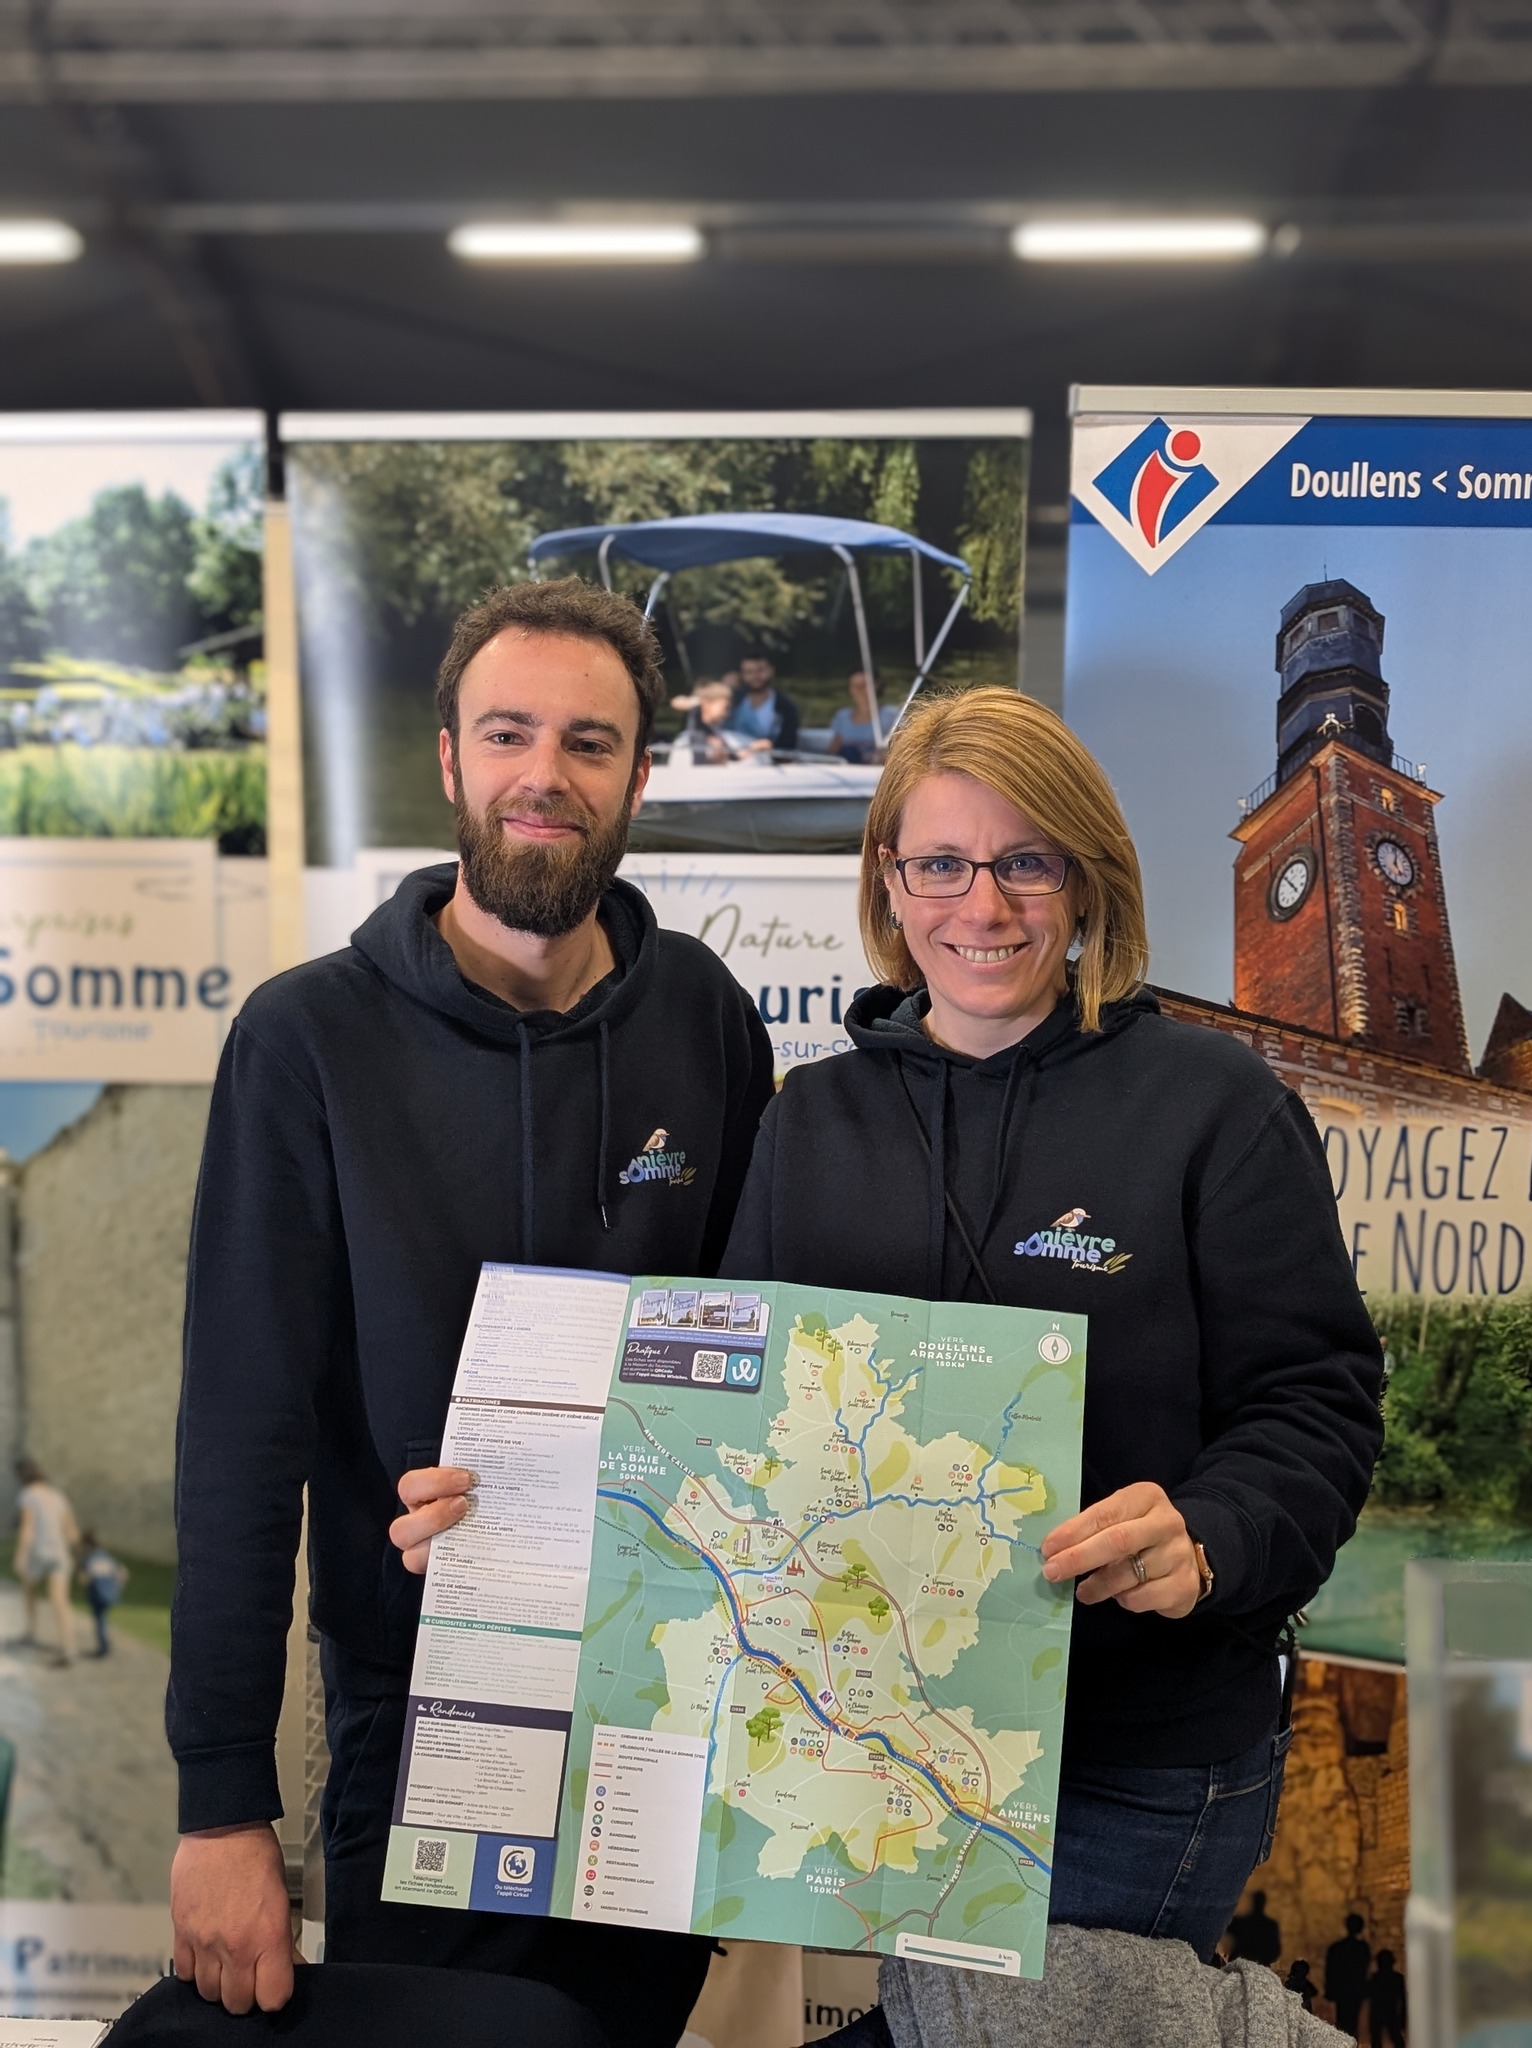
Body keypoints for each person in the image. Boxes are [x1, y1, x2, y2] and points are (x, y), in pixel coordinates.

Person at [716, 687, 1383, 2045]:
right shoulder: (811, 1120)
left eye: (1025, 860)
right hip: (866, 1743)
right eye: (941, 863)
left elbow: (1315, 1402)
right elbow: (731, 1402)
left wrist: (1211, 1532)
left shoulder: (1215, 1106)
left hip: (1137, 1762)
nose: (983, 904)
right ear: (889, 881)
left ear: (1086, 876)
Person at [168, 578, 774, 2042]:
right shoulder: (305, 1040)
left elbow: (761, 1362)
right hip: (422, 1705)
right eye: (508, 733)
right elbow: (239, 1439)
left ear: (639, 775)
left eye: (588, 742)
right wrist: (221, 1805)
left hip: (656, 1688)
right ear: (448, 759)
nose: (542, 775)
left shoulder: (706, 1018)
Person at [13, 1457, 78, 1666]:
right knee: (61, 1602)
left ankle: (31, 1632)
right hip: (60, 1554)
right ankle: (69, 1649)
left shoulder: (28, 1495)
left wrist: (21, 1556)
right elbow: (72, 1532)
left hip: (39, 1553)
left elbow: (27, 1529)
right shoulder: (58, 1495)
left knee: (29, 1588)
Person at [726, 650, 800, 753]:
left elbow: (787, 747)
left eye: (760, 671)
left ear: (771, 671)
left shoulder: (786, 707)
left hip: (769, 761)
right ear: (742, 675)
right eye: (749, 672)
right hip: (733, 759)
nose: (755, 676)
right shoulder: (732, 702)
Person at [77, 1529, 129, 1656]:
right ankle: (106, 1641)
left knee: (99, 1618)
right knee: (103, 1617)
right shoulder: (105, 1555)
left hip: (97, 1594)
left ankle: (104, 1646)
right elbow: (123, 1571)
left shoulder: (87, 1558)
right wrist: (118, 1586)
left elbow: (83, 1580)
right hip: (111, 1592)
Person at [828, 671, 899, 763]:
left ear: (876, 686)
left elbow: (900, 749)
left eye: (864, 685)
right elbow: (833, 752)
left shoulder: (891, 715)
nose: (859, 689)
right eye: (855, 686)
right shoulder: (842, 716)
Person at [1324, 1914, 1372, 2039]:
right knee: (1353, 2022)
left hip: (1342, 1990)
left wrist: (1330, 1989)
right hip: (1356, 1990)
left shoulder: (1337, 1948)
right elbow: (1364, 1970)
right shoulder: (1362, 1948)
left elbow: (1331, 1971)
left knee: (1342, 2021)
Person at [1227, 1891, 1282, 1967]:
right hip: (1260, 1966)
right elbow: (1275, 1952)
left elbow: (1227, 1928)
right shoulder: (1271, 1925)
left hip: (1240, 1964)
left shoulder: (1240, 1922)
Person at [1367, 1948, 1406, 2048]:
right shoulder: (1397, 1979)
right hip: (1391, 2012)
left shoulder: (1375, 1979)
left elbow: (1368, 1996)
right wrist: (1403, 2016)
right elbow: (1403, 1999)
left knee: (1377, 2040)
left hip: (1378, 2012)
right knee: (1397, 2039)